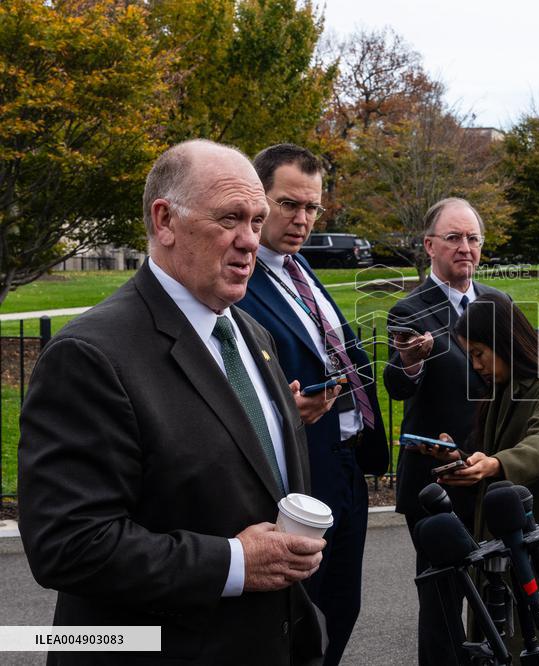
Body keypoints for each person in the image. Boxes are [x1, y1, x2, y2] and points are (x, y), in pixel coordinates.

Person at [17, 140, 326, 665]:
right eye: (230, 218)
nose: (250, 241)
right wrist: (233, 563)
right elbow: (68, 545)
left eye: (256, 220)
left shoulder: (251, 335)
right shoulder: (90, 355)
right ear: (165, 221)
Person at [237, 143, 390, 665]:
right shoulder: (241, 279)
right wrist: (285, 409)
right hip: (301, 470)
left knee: (343, 605)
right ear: (257, 199)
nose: (303, 219)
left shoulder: (301, 272)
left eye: (313, 208)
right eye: (289, 204)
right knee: (305, 615)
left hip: (347, 464)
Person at [382, 197, 506, 666]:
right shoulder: (410, 311)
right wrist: (412, 362)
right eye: (454, 238)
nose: (465, 247)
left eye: (473, 238)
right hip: (436, 482)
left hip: (491, 473)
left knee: (499, 589)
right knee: (443, 596)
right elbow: (396, 383)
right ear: (430, 245)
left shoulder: (498, 302)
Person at [435, 293, 539, 664]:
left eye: (480, 352)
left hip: (538, 555)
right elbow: (494, 453)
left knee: (536, 649)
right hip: (500, 551)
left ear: (506, 342)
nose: (476, 364)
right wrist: (459, 458)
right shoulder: (503, 389)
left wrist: (494, 465)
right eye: (470, 354)